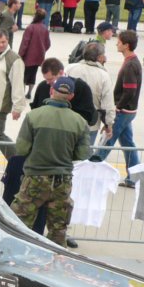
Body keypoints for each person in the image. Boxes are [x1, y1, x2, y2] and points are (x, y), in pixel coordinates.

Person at [10, 76, 91, 247]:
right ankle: (56, 259)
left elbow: (21, 149)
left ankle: (18, 256)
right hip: (62, 182)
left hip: (35, 179)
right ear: (71, 96)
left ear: (51, 91)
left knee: (20, 224)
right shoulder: (80, 122)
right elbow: (83, 154)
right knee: (58, 230)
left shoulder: (33, 116)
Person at [97, 30, 142, 187]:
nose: (116, 43)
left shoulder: (130, 65)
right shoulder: (131, 61)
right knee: (128, 145)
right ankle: (134, 178)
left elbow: (130, 91)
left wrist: (117, 107)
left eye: (119, 42)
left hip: (123, 111)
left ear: (126, 45)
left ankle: (92, 173)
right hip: (129, 111)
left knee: (106, 142)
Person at [0, 28, 26, 156]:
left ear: (8, 40)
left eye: (3, 42)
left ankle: (17, 160)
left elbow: (18, 84)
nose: (1, 45)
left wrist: (18, 107)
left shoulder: (14, 59)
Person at [66, 42, 114, 145]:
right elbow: (107, 105)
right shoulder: (104, 76)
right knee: (85, 153)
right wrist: (108, 125)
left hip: (67, 121)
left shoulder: (69, 68)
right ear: (100, 57)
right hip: (90, 124)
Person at [31, 58, 96, 129]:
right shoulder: (42, 86)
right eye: (46, 79)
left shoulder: (81, 87)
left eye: (50, 79)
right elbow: (35, 111)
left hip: (71, 132)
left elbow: (88, 116)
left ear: (61, 73)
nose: (47, 82)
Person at [17, 8, 52, 98]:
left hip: (28, 57)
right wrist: (42, 50)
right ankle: (29, 92)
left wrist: (20, 54)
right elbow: (48, 44)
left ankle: (22, 93)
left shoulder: (30, 28)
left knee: (24, 76)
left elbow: (25, 43)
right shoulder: (45, 29)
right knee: (33, 75)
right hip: (38, 57)